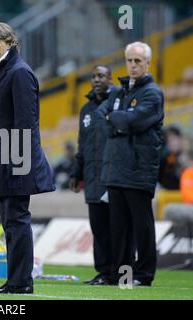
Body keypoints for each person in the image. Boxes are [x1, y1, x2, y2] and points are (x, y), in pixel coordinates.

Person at [0, 22, 55, 294]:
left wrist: (18, 162)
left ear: (9, 43)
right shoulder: (2, 73)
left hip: (14, 160)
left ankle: (21, 282)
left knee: (17, 219)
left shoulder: (19, 73)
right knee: (10, 221)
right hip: (3, 157)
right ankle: (15, 280)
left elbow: (26, 122)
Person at [97, 42, 164, 286]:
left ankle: (144, 275)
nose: (133, 65)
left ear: (148, 63)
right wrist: (119, 121)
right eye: (129, 61)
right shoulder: (119, 91)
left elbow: (133, 122)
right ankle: (122, 276)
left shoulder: (152, 93)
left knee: (141, 226)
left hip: (138, 170)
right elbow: (102, 117)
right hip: (116, 168)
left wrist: (116, 120)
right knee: (119, 228)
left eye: (138, 61)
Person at [69, 65, 115, 285]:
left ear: (111, 79)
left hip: (113, 177)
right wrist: (76, 172)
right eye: (94, 76)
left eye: (102, 76)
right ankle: (104, 272)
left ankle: (120, 272)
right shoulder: (86, 110)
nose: (97, 80)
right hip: (92, 177)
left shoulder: (116, 104)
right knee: (98, 227)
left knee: (117, 227)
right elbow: (82, 144)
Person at [158, 125, 184, 190]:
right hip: (168, 195)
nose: (171, 143)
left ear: (180, 138)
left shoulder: (188, 156)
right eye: (168, 140)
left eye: (173, 139)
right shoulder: (165, 159)